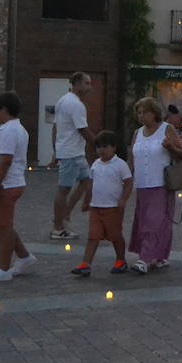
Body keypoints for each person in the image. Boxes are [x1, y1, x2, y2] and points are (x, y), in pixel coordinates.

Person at [0, 91, 35, 282]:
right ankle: (24, 257)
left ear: (3, 109)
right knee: (2, 224)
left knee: (2, 225)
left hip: (6, 185)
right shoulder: (17, 129)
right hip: (10, 183)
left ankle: (3, 268)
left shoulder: (10, 130)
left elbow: (5, 160)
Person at [128, 97, 182, 274]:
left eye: (145, 112)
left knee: (154, 222)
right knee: (145, 221)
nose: (141, 116)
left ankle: (144, 258)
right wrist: (126, 178)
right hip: (142, 185)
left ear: (154, 113)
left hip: (161, 184)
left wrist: (170, 148)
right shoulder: (137, 133)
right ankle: (160, 256)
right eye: (139, 112)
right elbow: (132, 156)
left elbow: (181, 155)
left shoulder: (166, 129)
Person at [70, 130, 133, 276]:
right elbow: (91, 184)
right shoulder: (95, 165)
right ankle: (86, 263)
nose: (101, 150)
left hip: (113, 208)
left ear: (114, 147)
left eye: (105, 146)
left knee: (115, 236)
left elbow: (128, 183)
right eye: (98, 147)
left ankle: (120, 260)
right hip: (96, 207)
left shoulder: (120, 165)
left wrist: (123, 199)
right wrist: (87, 200)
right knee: (93, 236)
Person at [49, 72, 97, 240]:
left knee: (86, 180)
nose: (89, 87)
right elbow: (82, 129)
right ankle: (57, 227)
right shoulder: (76, 105)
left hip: (73, 152)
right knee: (64, 189)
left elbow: (55, 128)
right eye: (86, 83)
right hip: (71, 153)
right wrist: (99, 146)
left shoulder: (63, 100)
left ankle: (64, 216)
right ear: (76, 84)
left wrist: (55, 150)